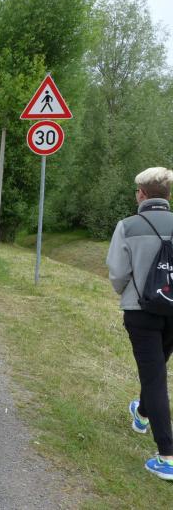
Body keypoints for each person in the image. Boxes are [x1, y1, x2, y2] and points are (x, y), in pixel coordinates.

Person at [106, 167, 173, 481]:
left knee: (154, 376)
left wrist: (127, 292)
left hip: (141, 311)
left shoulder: (128, 226)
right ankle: (142, 413)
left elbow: (118, 273)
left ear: (142, 194)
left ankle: (167, 456)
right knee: (156, 370)